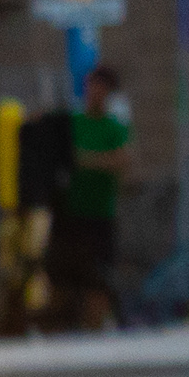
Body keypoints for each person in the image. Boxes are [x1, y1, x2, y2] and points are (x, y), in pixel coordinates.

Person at [50, 66, 132, 331]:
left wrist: (84, 160)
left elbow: (121, 160)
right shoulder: (73, 122)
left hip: (100, 215)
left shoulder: (113, 127)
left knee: (98, 279)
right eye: (91, 87)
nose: (94, 94)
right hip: (69, 215)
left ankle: (94, 328)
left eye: (101, 89)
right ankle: (61, 327)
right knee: (61, 276)